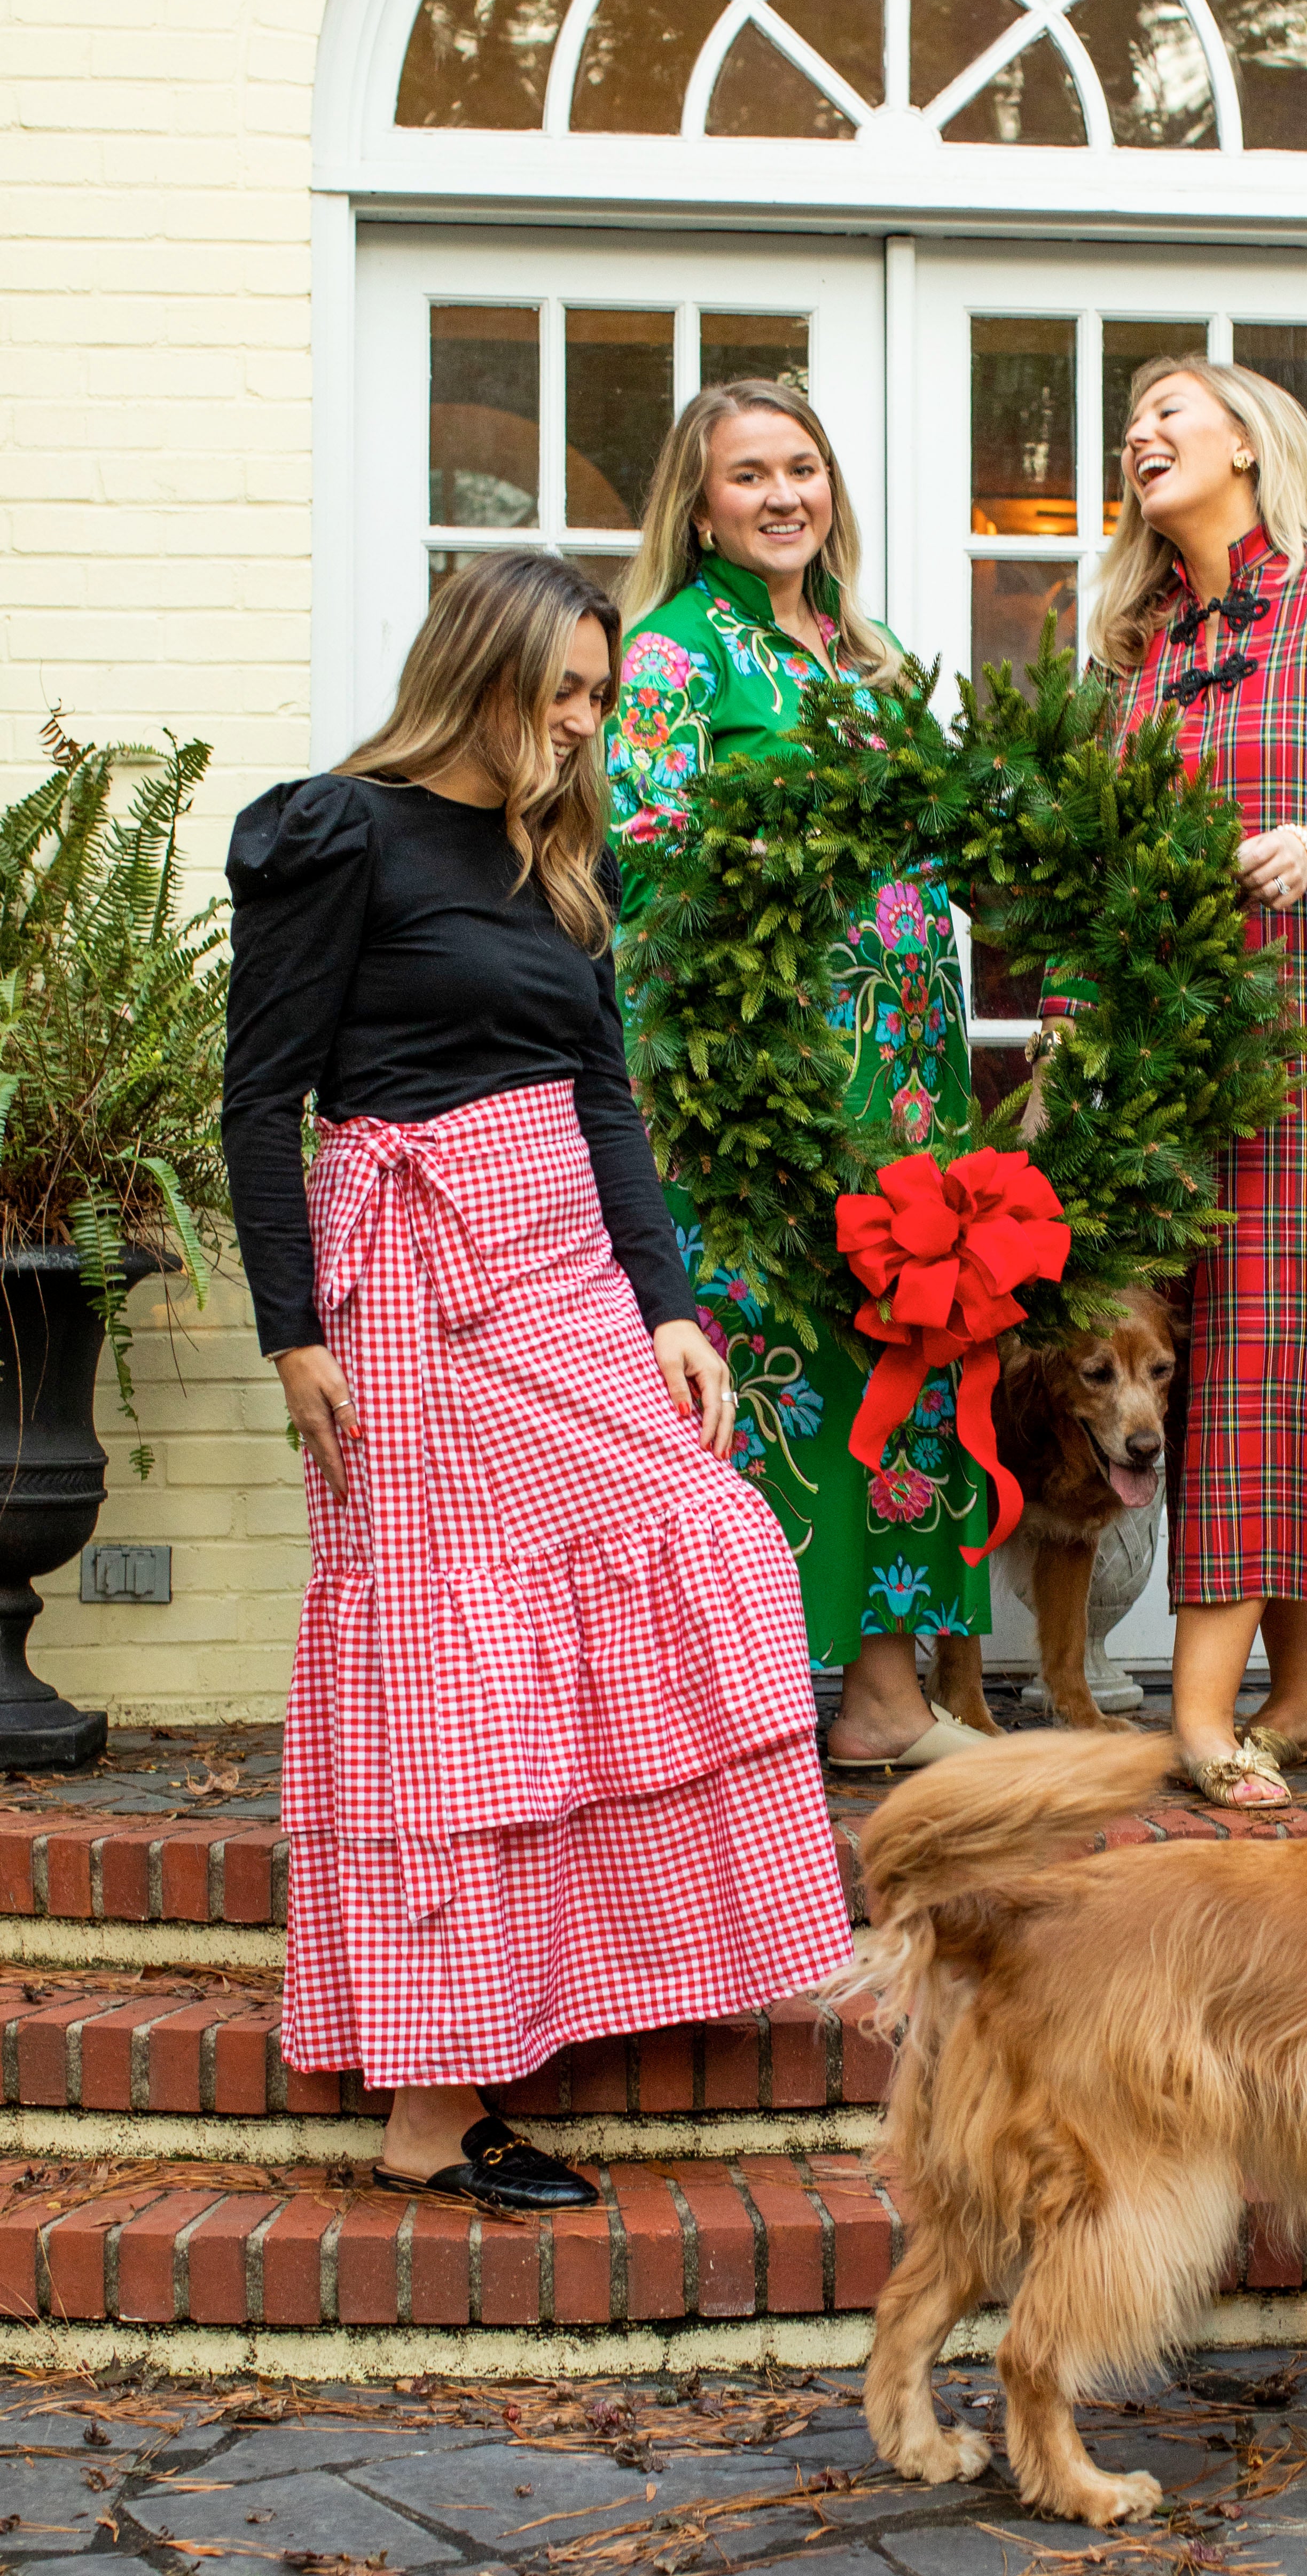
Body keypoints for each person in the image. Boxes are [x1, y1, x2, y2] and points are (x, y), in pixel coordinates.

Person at [221, 549, 852, 2214]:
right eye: (560, 694)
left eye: (597, 696)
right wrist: (294, 1334)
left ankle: (570, 1979)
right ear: (480, 672)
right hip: (414, 1298)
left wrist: (670, 1310)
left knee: (706, 1547)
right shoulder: (338, 832)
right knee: (446, 1663)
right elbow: (259, 1100)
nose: (582, 728)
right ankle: (432, 2109)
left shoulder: (553, 868)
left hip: (564, 1269)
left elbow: (607, 1101)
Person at [1061, 356, 1307, 1807]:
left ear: (1250, 439)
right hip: (1184, 1042)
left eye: (1171, 413)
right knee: (1222, 1328)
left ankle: (1211, 1709)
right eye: (1134, 427)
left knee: (1295, 1335)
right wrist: (1078, 1028)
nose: (1141, 436)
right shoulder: (1147, 645)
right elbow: (1110, 862)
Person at [610, 380, 987, 1774]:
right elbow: (641, 840)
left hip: (904, 1083)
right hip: (759, 1078)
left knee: (904, 1348)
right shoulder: (671, 650)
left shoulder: (869, 652)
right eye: (748, 475)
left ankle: (888, 1697)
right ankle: (740, 1710)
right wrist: (802, 848)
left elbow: (941, 842)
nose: (782, 497)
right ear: (699, 504)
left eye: (803, 469)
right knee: (769, 1374)